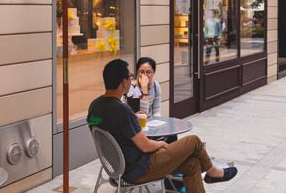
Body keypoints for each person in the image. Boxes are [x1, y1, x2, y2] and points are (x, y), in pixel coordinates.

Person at [88, 59, 237, 193]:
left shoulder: (95, 106)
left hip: (118, 168)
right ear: (123, 82)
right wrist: (161, 144)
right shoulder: (122, 110)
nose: (133, 79)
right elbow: (145, 146)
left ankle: (211, 173)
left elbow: (112, 128)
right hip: (140, 168)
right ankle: (213, 172)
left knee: (192, 164)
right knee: (194, 141)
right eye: (131, 76)